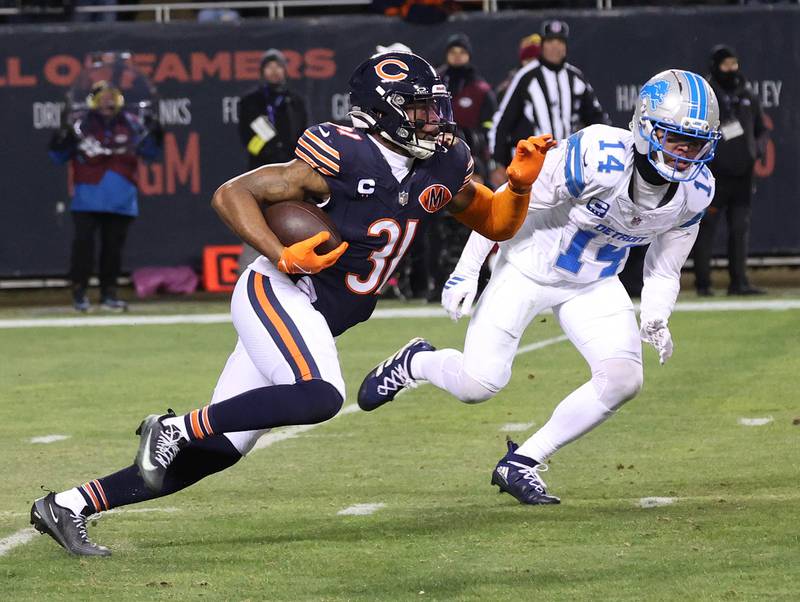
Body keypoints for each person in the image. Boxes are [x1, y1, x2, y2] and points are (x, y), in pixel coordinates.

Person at [30, 51, 555, 556]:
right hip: (279, 290)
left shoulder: (443, 162)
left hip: (316, 312)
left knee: (220, 450)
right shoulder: (344, 154)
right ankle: (173, 427)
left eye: (435, 107)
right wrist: (280, 253)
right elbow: (231, 194)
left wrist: (517, 187)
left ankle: (68, 504)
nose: (435, 120)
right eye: (420, 109)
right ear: (383, 112)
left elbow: (495, 222)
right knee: (320, 395)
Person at [358, 70, 721, 505]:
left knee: (624, 379)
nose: (685, 154)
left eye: (695, 144)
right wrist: (468, 268)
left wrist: (657, 315)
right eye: (675, 139)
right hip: (527, 268)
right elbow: (507, 202)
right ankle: (416, 362)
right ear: (645, 127)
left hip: (593, 283)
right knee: (478, 385)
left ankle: (523, 462)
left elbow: (664, 268)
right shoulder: (597, 155)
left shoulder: (696, 191)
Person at [48, 80, 162, 312]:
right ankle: (79, 294)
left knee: (113, 251)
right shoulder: (81, 125)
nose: (108, 102)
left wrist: (156, 132)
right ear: (93, 101)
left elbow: (151, 153)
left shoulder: (132, 124)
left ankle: (109, 295)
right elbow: (58, 156)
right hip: (87, 199)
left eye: (113, 97)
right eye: (102, 98)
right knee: (83, 250)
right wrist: (62, 135)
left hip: (121, 199)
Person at [489, 19, 609, 189]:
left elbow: (597, 118)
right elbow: (503, 121)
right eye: (550, 41)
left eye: (560, 42)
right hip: (533, 163)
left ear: (565, 47)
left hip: (567, 163)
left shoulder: (575, 77)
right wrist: (498, 162)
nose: (555, 47)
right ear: (542, 46)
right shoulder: (526, 77)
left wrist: (605, 148)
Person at [693, 45, 768, 296]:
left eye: (734, 63)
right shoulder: (707, 96)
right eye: (726, 64)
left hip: (743, 175)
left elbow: (761, 128)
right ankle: (703, 284)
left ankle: (739, 282)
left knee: (739, 228)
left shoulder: (747, 94)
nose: (731, 69)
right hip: (713, 174)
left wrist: (756, 151)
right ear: (716, 66)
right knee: (706, 228)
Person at [237, 49, 309, 270]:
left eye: (278, 66)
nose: (274, 70)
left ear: (285, 70)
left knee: (292, 222)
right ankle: (248, 273)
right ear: (262, 71)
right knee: (256, 223)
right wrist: (270, 151)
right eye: (269, 66)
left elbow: (303, 135)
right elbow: (247, 139)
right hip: (261, 172)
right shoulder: (250, 102)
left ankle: (296, 271)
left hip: (291, 173)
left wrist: (292, 159)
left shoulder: (295, 101)